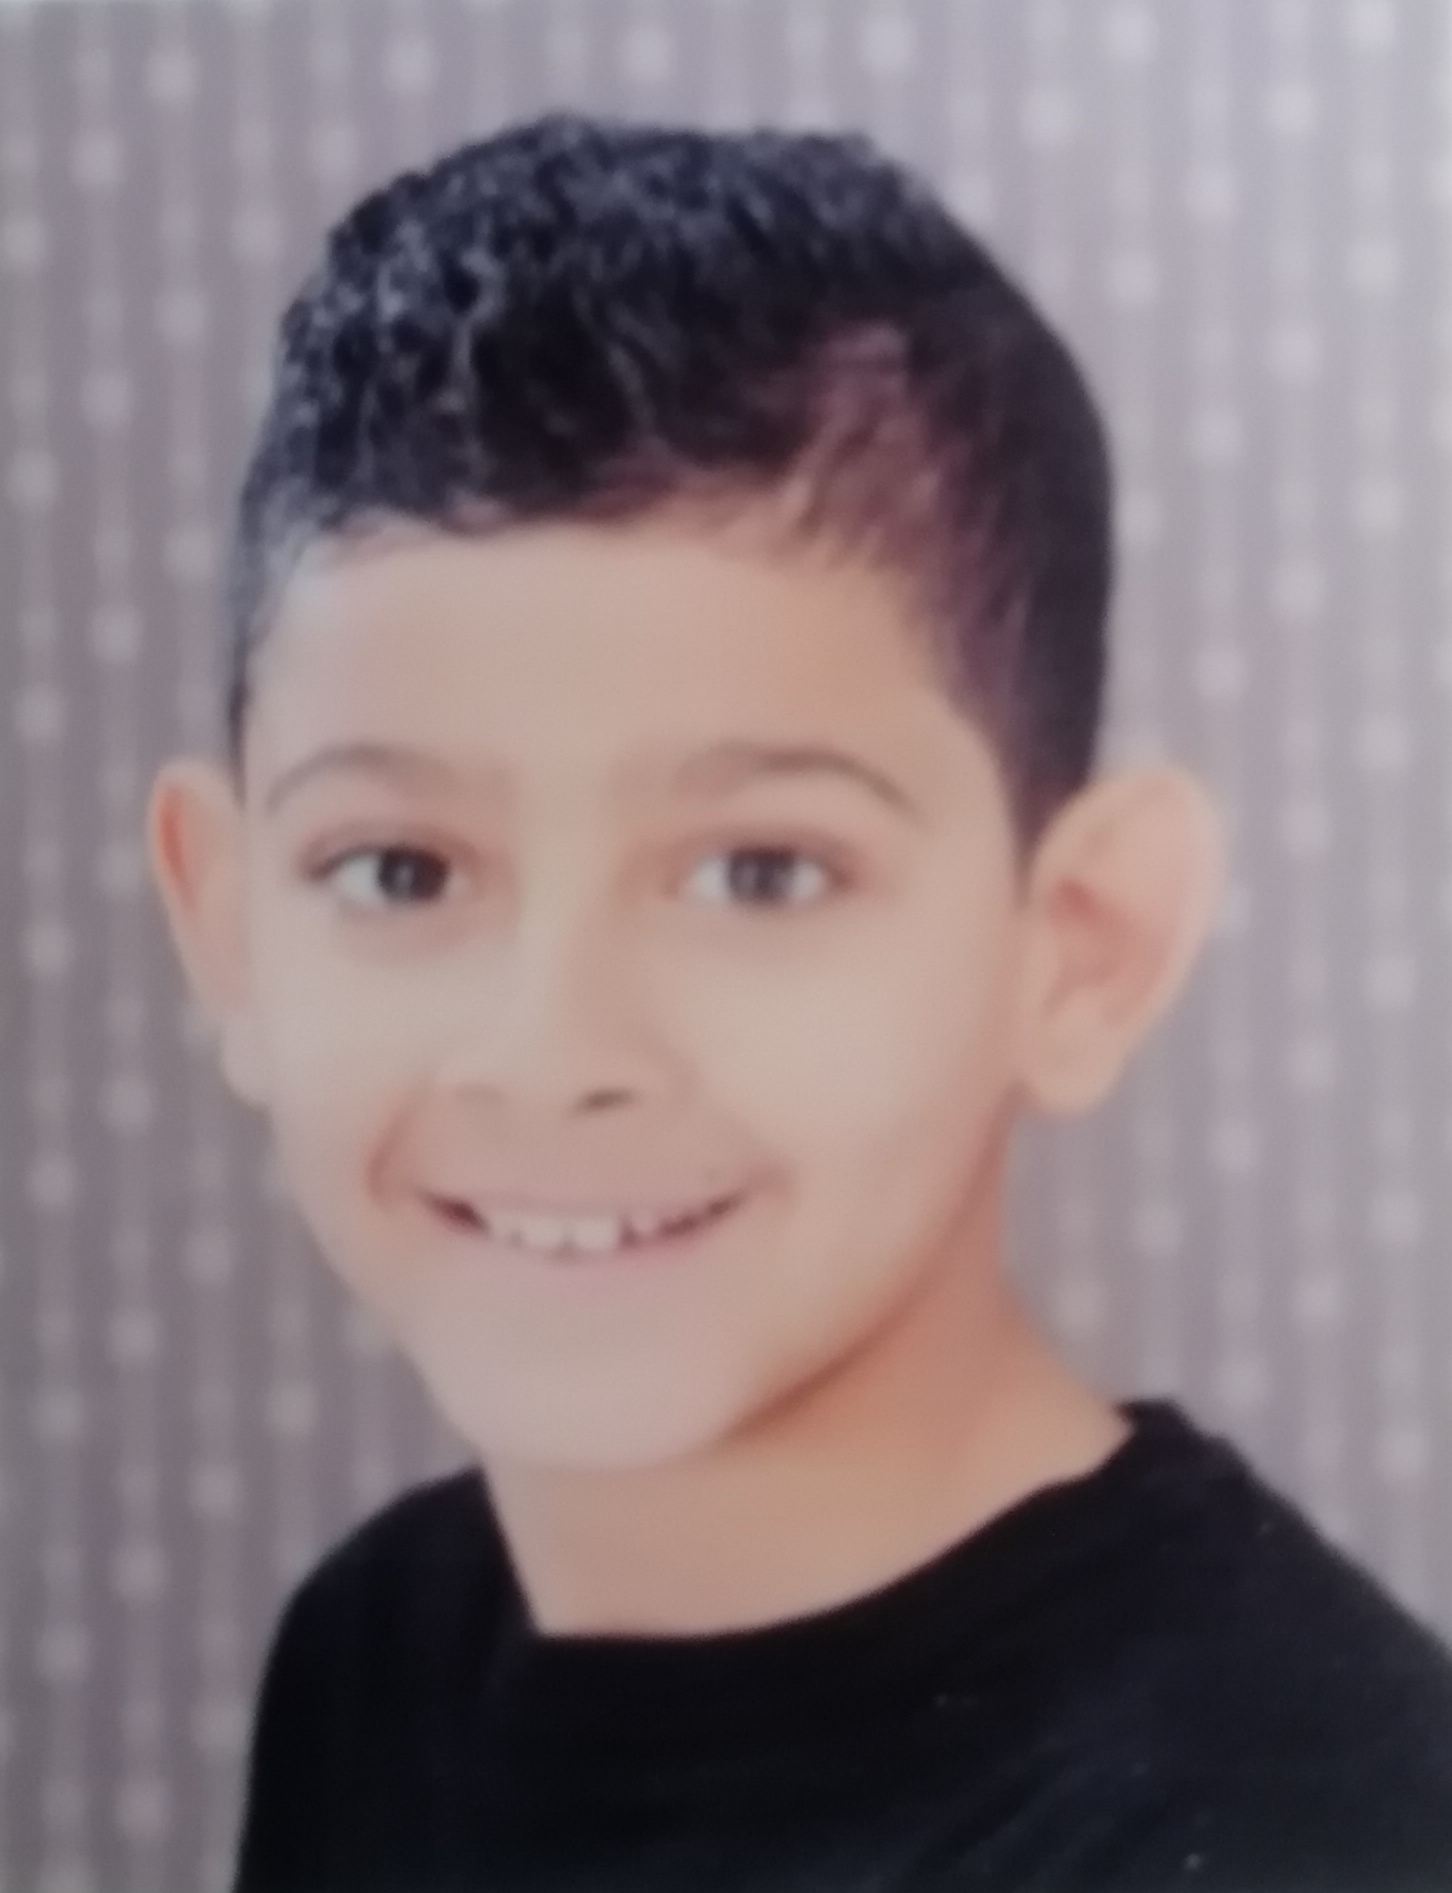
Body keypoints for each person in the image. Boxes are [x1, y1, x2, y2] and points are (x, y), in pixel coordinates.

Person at [145, 114, 1452, 1892]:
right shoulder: (375, 1653)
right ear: (229, 930)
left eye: (758, 872)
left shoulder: (1320, 1828)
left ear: (1080, 944)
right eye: (400, 869)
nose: (552, 1054)